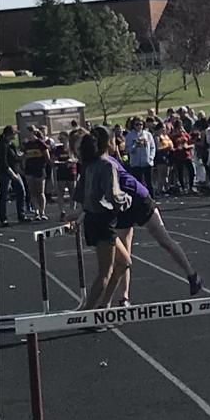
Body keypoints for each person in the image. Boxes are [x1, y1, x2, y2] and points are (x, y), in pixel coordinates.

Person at [81, 126, 203, 304]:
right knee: (124, 255)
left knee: (163, 239)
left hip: (138, 200)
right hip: (123, 206)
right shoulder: (102, 163)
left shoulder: (105, 162)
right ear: (108, 143)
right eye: (115, 141)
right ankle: (123, 297)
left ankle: (191, 274)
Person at [74, 131, 133, 309]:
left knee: (124, 262)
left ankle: (102, 305)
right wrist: (127, 199)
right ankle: (87, 314)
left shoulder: (88, 165)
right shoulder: (107, 165)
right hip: (103, 220)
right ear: (107, 143)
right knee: (105, 273)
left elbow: (79, 194)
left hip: (93, 219)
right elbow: (113, 196)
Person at [0, 126, 30, 226]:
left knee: (21, 191)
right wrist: (11, 173)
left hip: (14, 170)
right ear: (10, 134)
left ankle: (21, 215)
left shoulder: (11, 144)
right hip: (5, 172)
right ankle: (3, 218)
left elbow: (15, 156)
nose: (16, 136)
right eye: (15, 134)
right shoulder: (2, 144)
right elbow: (3, 162)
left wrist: (22, 155)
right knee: (4, 195)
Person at [22, 126, 51, 221]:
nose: (27, 135)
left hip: (39, 169)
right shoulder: (27, 145)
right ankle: (36, 212)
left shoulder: (40, 143)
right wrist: (23, 166)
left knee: (40, 192)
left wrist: (48, 165)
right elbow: (24, 156)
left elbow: (47, 157)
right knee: (32, 192)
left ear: (33, 133)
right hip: (29, 170)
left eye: (28, 132)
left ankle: (42, 212)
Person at [125, 117, 155, 192]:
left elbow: (152, 147)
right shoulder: (129, 136)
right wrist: (135, 145)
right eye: (137, 124)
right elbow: (128, 149)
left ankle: (152, 197)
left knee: (149, 183)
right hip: (136, 164)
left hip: (147, 163)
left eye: (141, 124)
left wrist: (151, 157)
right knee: (139, 184)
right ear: (133, 125)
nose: (139, 126)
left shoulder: (148, 134)